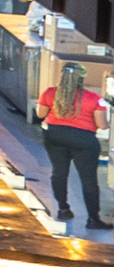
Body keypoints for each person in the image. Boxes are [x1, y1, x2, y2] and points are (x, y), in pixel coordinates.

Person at [43, 62, 105, 228]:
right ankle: (93, 219)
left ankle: (63, 209)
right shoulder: (94, 98)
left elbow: (40, 113)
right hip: (84, 140)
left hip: (54, 135)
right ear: (82, 78)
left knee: (59, 173)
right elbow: (102, 124)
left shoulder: (50, 93)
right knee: (89, 180)